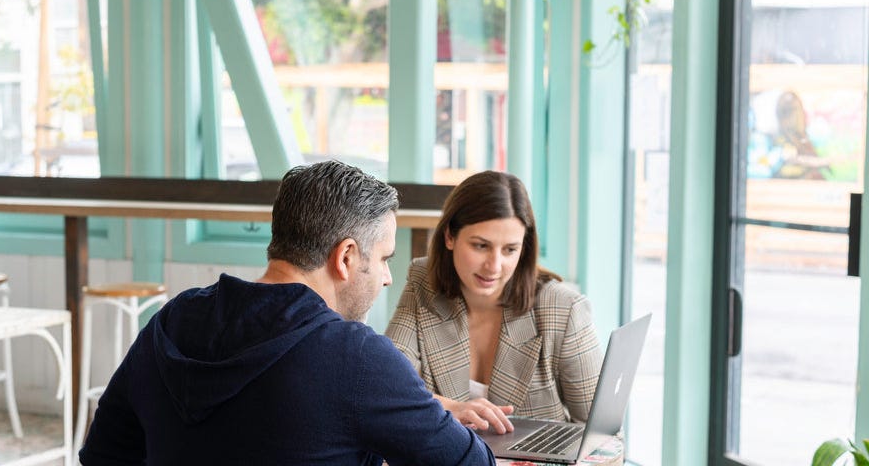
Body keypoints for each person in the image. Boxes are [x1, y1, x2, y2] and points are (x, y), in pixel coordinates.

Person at [79, 161, 495, 465]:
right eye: (384, 258)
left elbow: (103, 455)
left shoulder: (171, 321)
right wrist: (424, 412)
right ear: (346, 257)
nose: (387, 277)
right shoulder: (356, 357)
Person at [385, 170, 602, 435]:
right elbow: (386, 387)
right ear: (449, 236)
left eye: (510, 249)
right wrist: (451, 407)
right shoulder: (424, 282)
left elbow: (602, 437)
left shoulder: (564, 309)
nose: (494, 266)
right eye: (480, 246)